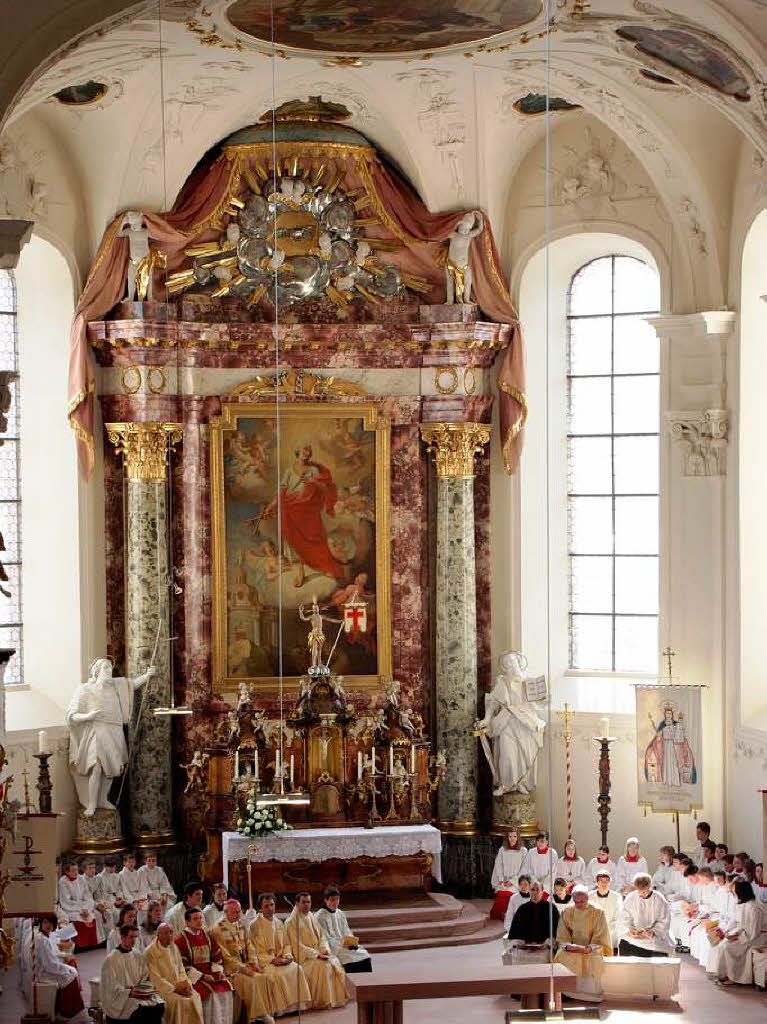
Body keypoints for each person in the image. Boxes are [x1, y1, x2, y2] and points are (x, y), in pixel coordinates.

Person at [66, 657, 156, 816]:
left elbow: (132, 685)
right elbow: (72, 715)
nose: (109, 670)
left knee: (111, 767)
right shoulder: (85, 689)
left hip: (114, 730)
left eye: (110, 667)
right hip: (96, 730)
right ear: (96, 671)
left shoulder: (116, 686)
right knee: (97, 766)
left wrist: (147, 676)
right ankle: (92, 804)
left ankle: (103, 799)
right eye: (105, 667)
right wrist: (88, 716)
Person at [212, 899, 275, 1024]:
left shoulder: (239, 923)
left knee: (266, 977)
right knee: (252, 981)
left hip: (246, 964)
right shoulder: (218, 929)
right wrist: (242, 968)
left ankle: (261, 1014)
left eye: (239, 911)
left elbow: (249, 945)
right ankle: (256, 1017)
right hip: (231, 970)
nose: (239, 915)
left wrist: (253, 962)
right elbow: (225, 956)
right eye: (235, 912)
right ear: (225, 913)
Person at [249, 892, 311, 1015]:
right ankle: (280, 1010)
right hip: (265, 962)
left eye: (272, 905)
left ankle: (294, 1007)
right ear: (260, 908)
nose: (270, 908)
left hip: (282, 959)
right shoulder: (254, 925)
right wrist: (271, 960)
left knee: (297, 969)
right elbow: (252, 949)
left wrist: (288, 956)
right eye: (266, 906)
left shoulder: (279, 923)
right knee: (276, 976)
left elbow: (287, 944)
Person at [285, 892, 347, 1009]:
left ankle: (336, 1000)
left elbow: (322, 936)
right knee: (323, 967)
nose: (307, 905)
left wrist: (324, 949)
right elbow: (296, 946)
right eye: (303, 902)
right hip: (305, 958)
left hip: (319, 953)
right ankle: (322, 1001)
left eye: (308, 902)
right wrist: (316, 955)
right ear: (297, 903)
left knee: (334, 961)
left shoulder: (312, 916)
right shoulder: (291, 922)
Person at [175, 907, 233, 1024]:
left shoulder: (207, 935)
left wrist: (219, 971)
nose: (199, 921)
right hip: (193, 977)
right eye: (195, 919)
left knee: (226, 987)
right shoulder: (181, 939)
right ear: (187, 922)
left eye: (201, 917)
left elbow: (216, 956)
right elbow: (182, 966)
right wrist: (202, 976)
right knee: (210, 994)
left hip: (210, 972)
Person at [555, 885, 612, 1003]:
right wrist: (567, 946)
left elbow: (600, 934)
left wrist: (589, 948)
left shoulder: (597, 911)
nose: (579, 904)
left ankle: (591, 997)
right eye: (576, 902)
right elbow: (562, 933)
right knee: (561, 956)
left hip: (592, 949)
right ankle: (567, 993)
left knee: (592, 960)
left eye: (582, 901)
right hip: (572, 949)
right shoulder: (567, 911)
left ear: (588, 898)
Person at [21, 915, 85, 1019]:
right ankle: (67, 1010)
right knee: (70, 975)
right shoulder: (41, 939)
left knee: (70, 970)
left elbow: (50, 958)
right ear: (41, 923)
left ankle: (66, 1007)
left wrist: (63, 963)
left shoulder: (44, 936)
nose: (48, 925)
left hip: (45, 968)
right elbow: (49, 965)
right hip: (41, 973)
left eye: (51, 923)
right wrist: (65, 968)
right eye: (45, 922)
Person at [100, 923, 164, 1024]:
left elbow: (145, 976)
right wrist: (129, 992)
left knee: (159, 1006)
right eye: (131, 937)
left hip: (138, 994)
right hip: (121, 999)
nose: (134, 940)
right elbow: (109, 986)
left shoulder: (137, 954)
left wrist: (144, 990)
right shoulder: (111, 959)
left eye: (136, 937)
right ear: (122, 937)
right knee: (141, 1011)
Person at [145, 922, 204, 1024]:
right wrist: (174, 988)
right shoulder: (150, 952)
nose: (169, 935)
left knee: (195, 996)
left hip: (179, 985)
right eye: (165, 933)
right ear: (158, 935)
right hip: (163, 989)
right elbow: (155, 977)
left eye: (171, 932)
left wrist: (185, 984)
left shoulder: (173, 947)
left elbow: (181, 969)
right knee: (179, 1002)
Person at [716, 879, 767, 986]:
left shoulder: (754, 908)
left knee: (728, 947)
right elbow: (742, 925)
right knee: (724, 944)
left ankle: (734, 977)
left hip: (758, 938)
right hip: (749, 935)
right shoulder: (746, 905)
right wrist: (732, 935)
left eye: (735, 892)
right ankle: (724, 974)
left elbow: (754, 932)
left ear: (742, 892)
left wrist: (738, 938)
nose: (734, 894)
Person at [315, 886, 372, 973]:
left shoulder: (340, 913)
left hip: (345, 945)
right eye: (332, 900)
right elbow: (325, 938)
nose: (335, 902)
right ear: (326, 900)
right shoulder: (319, 916)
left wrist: (352, 942)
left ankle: (365, 984)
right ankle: (350, 984)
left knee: (364, 955)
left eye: (337, 899)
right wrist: (342, 945)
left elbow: (347, 931)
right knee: (349, 957)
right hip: (333, 948)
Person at [506, 880, 559, 964]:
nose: (534, 892)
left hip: (545, 946)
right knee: (518, 958)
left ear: (542, 892)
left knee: (542, 958)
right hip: (525, 945)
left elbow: (557, 930)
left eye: (537, 889)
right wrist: (518, 941)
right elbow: (514, 931)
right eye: (532, 889)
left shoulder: (551, 908)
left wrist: (548, 942)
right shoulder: (522, 909)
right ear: (529, 891)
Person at [619, 873, 672, 956]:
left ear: (650, 886)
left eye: (645, 891)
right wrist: (630, 929)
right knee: (623, 942)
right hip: (635, 933)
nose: (643, 894)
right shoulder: (631, 897)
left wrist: (653, 932)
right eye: (640, 891)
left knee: (650, 947)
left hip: (653, 934)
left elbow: (664, 920)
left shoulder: (659, 899)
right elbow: (625, 917)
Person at [57, 860, 104, 949]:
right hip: (71, 908)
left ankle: (92, 945)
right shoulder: (63, 881)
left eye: (77, 870)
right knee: (78, 919)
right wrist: (80, 910)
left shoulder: (81, 879)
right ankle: (79, 947)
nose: (76, 873)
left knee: (92, 917)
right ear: (67, 872)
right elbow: (66, 901)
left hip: (84, 907)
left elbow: (87, 896)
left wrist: (86, 909)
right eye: (73, 870)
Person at [489, 828, 526, 920]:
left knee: (507, 894)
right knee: (501, 893)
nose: (512, 839)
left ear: (518, 837)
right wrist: (501, 879)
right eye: (510, 836)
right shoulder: (502, 850)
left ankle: (507, 914)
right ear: (507, 838)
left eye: (514, 836)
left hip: (516, 881)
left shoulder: (523, 851)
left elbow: (524, 869)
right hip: (503, 880)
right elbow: (498, 865)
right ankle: (500, 914)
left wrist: (512, 881)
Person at [588, 871, 622, 951]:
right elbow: (587, 915)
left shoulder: (616, 897)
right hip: (593, 933)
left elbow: (618, 917)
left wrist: (606, 930)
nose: (604, 884)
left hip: (611, 934)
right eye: (601, 881)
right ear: (596, 882)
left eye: (606, 881)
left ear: (610, 882)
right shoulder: (590, 896)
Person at [82, 858, 113, 935]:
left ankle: (109, 937)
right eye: (90, 868)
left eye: (94, 868)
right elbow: (87, 898)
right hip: (84, 903)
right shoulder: (82, 881)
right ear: (85, 870)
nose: (93, 870)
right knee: (97, 915)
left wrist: (101, 904)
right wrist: (97, 906)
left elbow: (99, 895)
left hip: (94, 902)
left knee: (109, 912)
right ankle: (99, 939)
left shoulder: (97, 879)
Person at [119, 853, 149, 919]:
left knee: (147, 907)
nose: (131, 864)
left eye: (133, 862)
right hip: (129, 899)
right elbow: (124, 890)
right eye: (129, 862)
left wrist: (141, 899)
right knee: (135, 909)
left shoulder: (137, 873)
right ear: (124, 863)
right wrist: (133, 900)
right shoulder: (121, 874)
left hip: (139, 898)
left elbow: (142, 887)